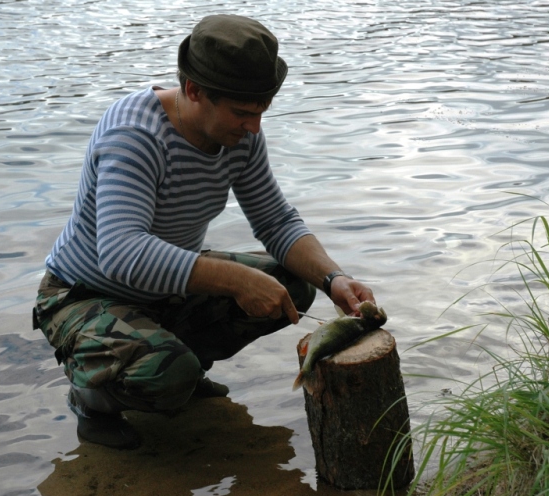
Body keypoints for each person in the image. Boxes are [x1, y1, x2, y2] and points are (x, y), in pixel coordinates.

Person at [32, 14, 375, 450]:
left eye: (262, 112)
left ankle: (183, 367)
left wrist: (334, 279)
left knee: (294, 286)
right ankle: (94, 397)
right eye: (243, 114)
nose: (254, 127)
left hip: (160, 289)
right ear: (194, 91)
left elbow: (275, 220)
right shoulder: (135, 136)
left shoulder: (240, 135)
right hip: (83, 294)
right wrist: (237, 279)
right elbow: (120, 253)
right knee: (168, 372)